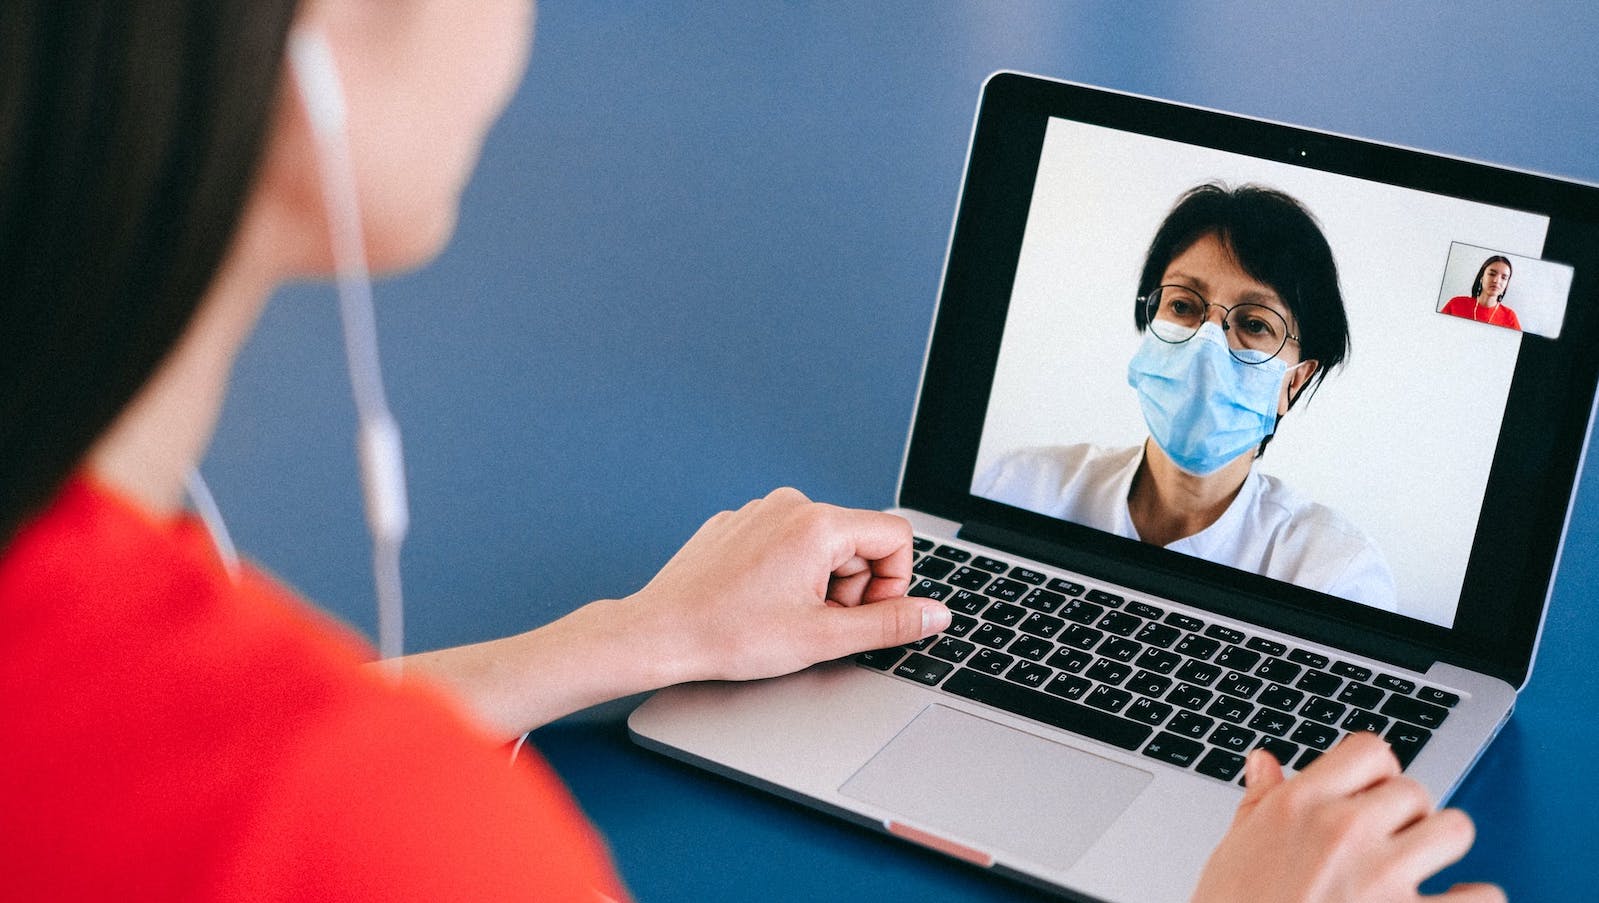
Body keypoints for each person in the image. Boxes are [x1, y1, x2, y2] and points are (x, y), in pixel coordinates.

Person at [0, 3, 1501, 901]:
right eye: (1181, 307)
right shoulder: (409, 844)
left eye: (1251, 330)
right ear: (308, 38)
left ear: (1302, 374)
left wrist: (624, 637)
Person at [977, 184, 1399, 610]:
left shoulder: (1335, 574)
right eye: (1182, 306)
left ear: (1293, 381)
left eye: (1254, 323)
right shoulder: (1020, 487)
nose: (1207, 345)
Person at [1440, 255, 1521, 330]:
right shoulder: (1456, 304)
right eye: (1492, 274)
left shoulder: (1510, 317)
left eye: (1504, 278)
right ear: (1481, 277)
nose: (1496, 281)